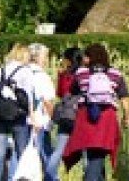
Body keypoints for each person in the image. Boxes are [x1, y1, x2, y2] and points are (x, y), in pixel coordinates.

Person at [64, 43, 129, 181]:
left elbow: (72, 92)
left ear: (90, 58)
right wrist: (127, 117)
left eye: (85, 56)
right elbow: (124, 98)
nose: (83, 58)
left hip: (86, 117)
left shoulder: (81, 73)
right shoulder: (115, 74)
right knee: (98, 154)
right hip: (107, 118)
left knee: (93, 154)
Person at [0, 45, 32, 181]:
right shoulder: (25, 71)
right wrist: (31, 114)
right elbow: (28, 95)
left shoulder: (1, 70)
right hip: (17, 115)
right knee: (21, 151)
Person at [46, 47, 85, 181]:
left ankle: (49, 177)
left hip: (65, 116)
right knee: (86, 151)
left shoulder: (63, 74)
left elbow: (60, 94)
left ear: (68, 60)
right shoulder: (84, 74)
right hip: (80, 115)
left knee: (58, 151)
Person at [26, 43, 59, 181]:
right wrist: (54, 119)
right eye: (45, 56)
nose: (47, 60)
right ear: (38, 58)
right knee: (46, 157)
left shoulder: (22, 72)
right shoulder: (42, 76)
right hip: (40, 122)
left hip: (23, 121)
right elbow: (47, 102)